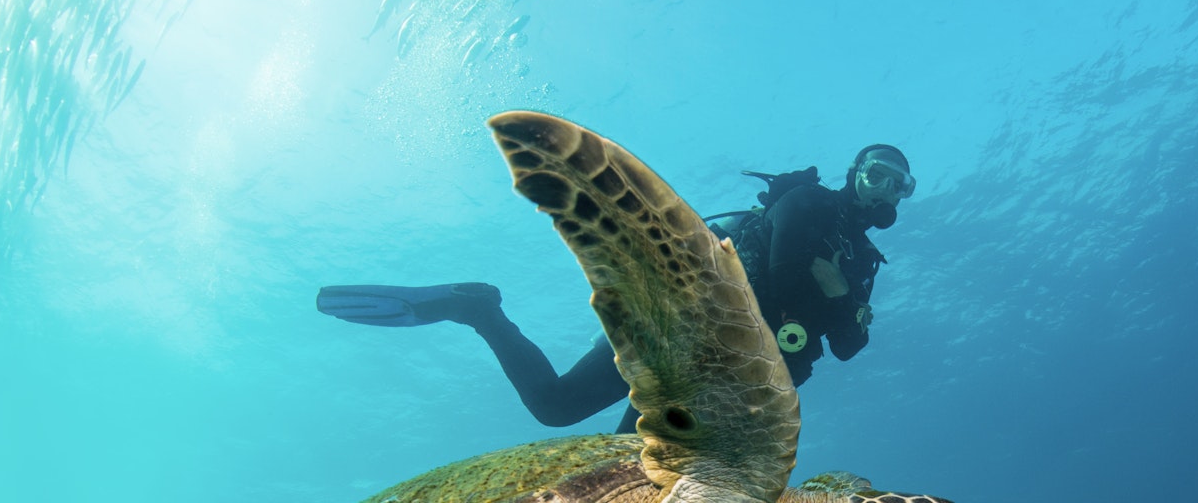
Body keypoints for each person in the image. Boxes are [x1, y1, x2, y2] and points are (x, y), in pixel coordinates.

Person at [318, 145, 915, 433]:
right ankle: (478, 311)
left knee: (563, 414)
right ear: (853, 174)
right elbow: (788, 279)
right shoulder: (805, 202)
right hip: (689, 324)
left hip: (734, 368)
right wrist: (838, 300)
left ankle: (481, 310)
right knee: (610, 439)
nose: (884, 191)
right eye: (875, 176)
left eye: (898, 185)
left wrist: (838, 294)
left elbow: (849, 349)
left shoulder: (864, 259)